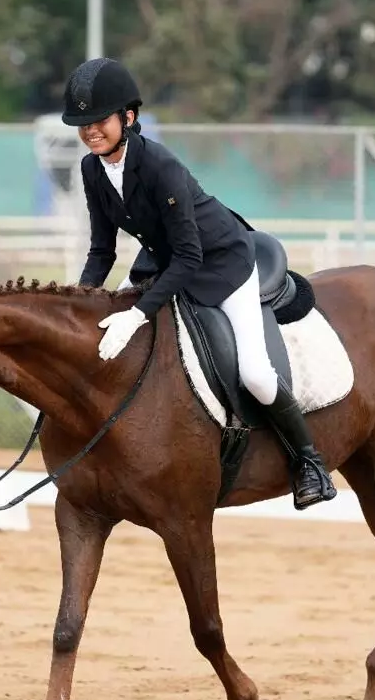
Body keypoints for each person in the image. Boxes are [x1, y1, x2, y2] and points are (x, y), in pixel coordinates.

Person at [60, 56, 337, 510]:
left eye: (99, 120)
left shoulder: (159, 165)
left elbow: (191, 254)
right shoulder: (93, 170)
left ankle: (309, 463)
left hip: (224, 266)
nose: (90, 130)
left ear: (127, 118)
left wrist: (138, 312)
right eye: (82, 123)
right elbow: (102, 250)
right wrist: (82, 300)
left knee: (256, 374)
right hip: (165, 264)